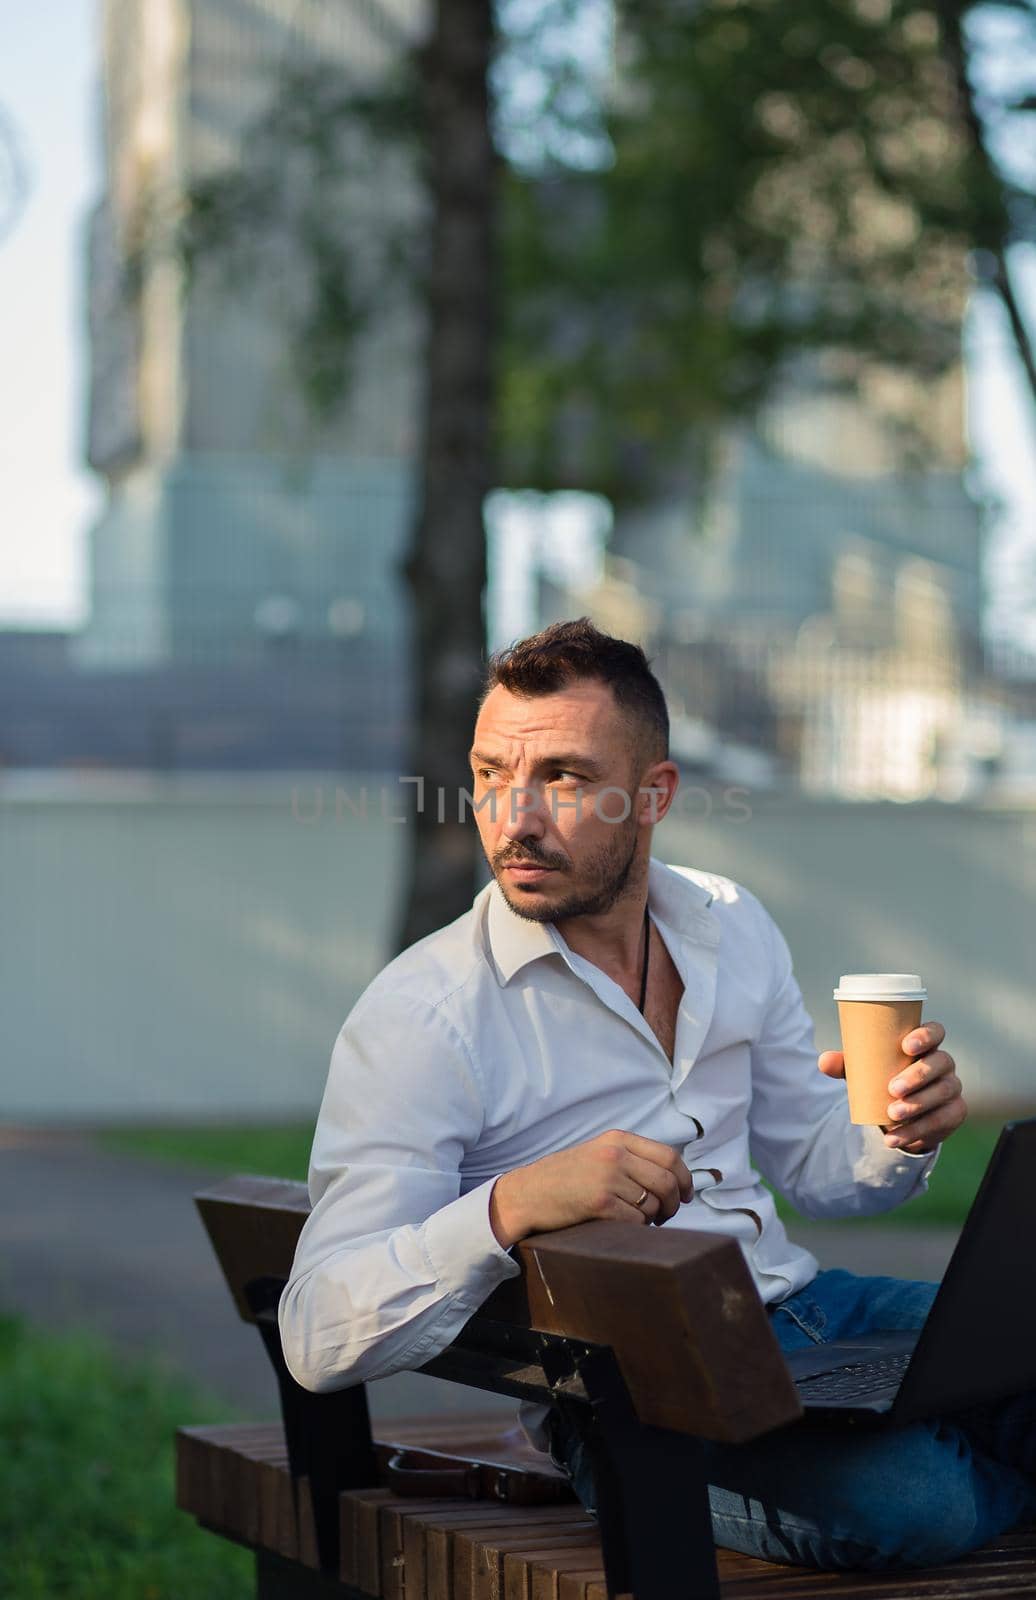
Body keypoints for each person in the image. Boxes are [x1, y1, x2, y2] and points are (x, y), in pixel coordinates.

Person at [279, 618, 1036, 1572]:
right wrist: (511, 1207)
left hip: (809, 1317)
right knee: (922, 1501)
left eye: (562, 778)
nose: (513, 818)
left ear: (653, 794)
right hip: (630, 1393)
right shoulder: (424, 1016)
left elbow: (820, 1174)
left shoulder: (730, 924)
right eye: (488, 775)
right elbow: (316, 1331)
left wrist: (895, 1134)